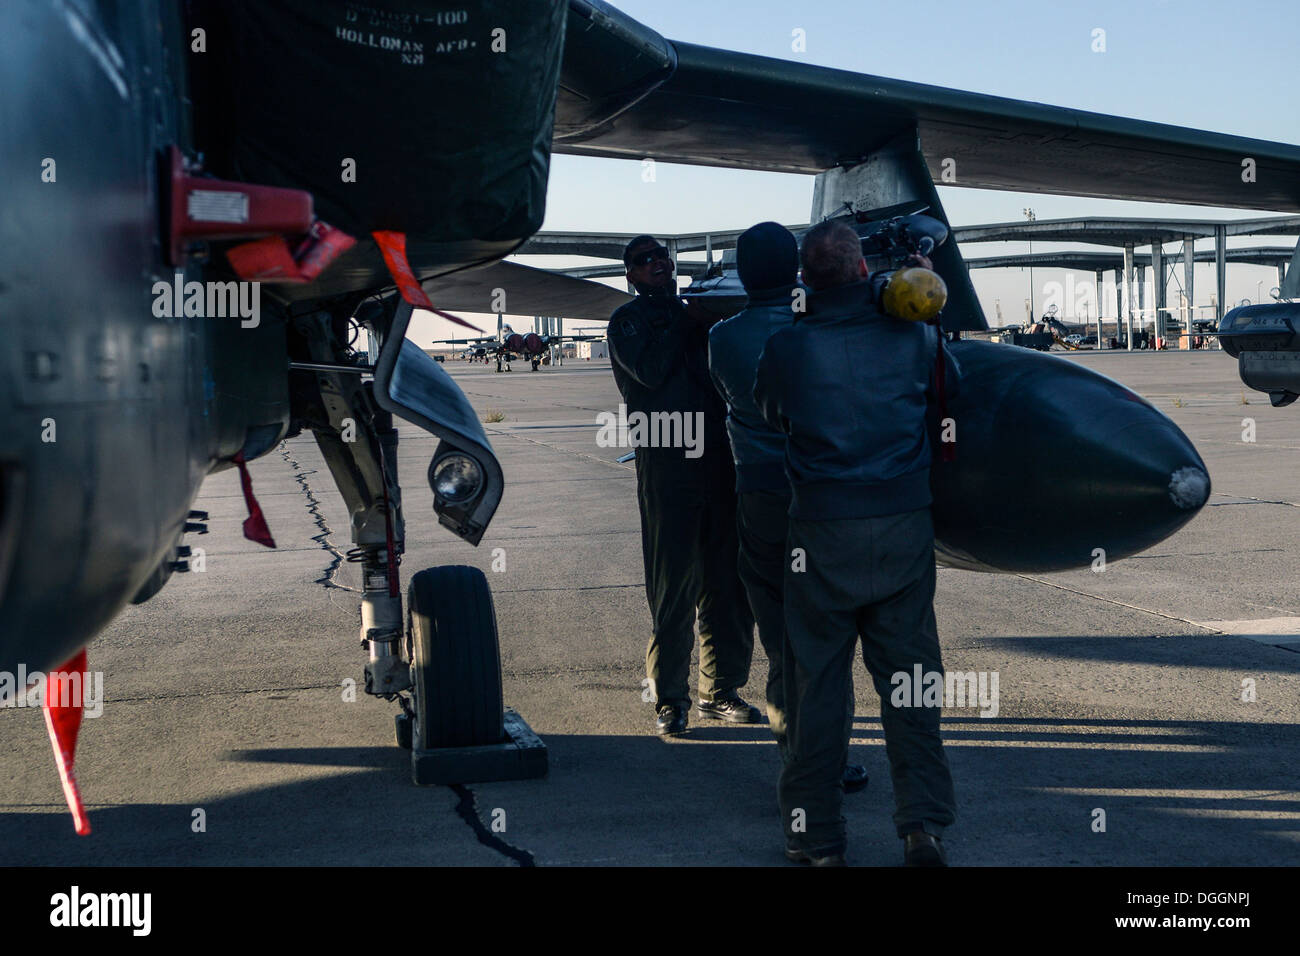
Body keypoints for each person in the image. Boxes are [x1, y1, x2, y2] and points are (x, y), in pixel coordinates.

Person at [754, 219, 960, 867]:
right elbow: (949, 394)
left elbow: (771, 414)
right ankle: (921, 826)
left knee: (817, 688)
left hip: (820, 535)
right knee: (912, 681)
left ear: (804, 281)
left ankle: (815, 839)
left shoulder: (789, 347)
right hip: (901, 526)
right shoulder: (915, 337)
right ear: (865, 272)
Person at [707, 222, 869, 793]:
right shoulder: (818, 326)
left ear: (742, 274)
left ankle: (795, 757)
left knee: (778, 638)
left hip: (760, 496)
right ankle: (836, 757)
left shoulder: (722, 338)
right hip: (823, 493)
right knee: (827, 635)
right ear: (797, 270)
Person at [607, 235, 759, 736]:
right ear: (630, 274)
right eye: (644, 261)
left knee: (728, 585)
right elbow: (648, 372)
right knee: (673, 585)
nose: (656, 265)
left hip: (720, 460)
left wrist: (713, 320)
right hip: (667, 462)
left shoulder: (702, 315)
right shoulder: (627, 321)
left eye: (662, 258)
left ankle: (721, 691)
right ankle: (670, 700)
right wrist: (684, 322)